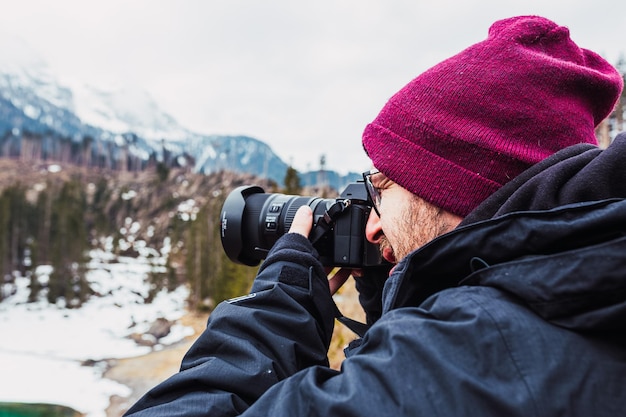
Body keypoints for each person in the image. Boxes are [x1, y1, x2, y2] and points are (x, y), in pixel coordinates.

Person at [124, 15, 626, 416]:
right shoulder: (568, 305)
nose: (370, 224)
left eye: (383, 189)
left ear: (449, 189)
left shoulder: (460, 358)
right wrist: (400, 299)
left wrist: (278, 308)